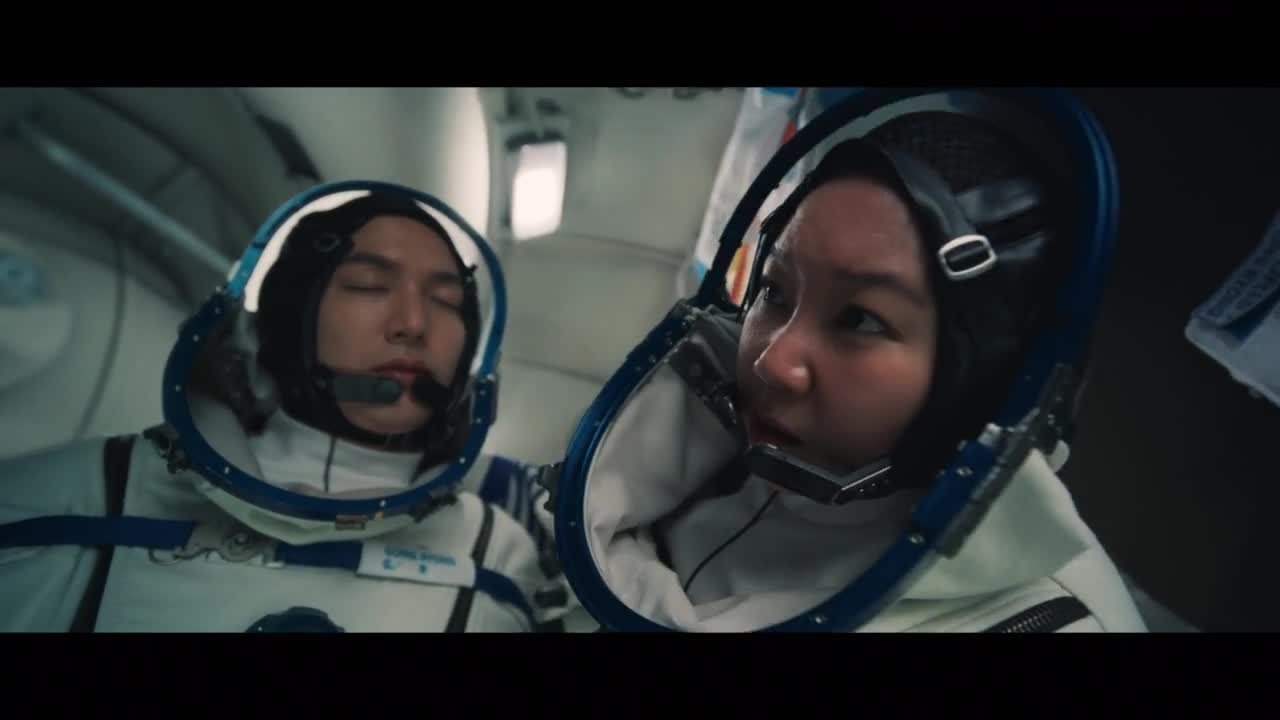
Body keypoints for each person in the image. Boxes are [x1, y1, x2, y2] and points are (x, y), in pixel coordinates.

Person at [542, 89, 1148, 632]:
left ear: (986, 378)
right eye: (774, 291)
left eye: (860, 319)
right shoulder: (722, 457)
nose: (772, 362)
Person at [0, 183, 572, 632]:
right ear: (289, 316)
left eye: (445, 300)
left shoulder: (503, 554)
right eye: (369, 285)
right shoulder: (77, 494)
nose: (413, 323)